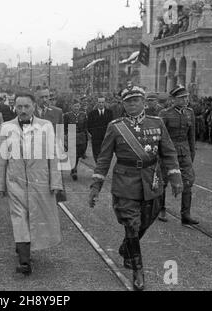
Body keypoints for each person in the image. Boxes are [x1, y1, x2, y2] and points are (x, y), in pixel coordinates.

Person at [88, 86, 182, 291]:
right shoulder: (115, 126)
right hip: (125, 182)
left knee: (148, 218)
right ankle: (137, 270)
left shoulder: (156, 123)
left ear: (143, 102)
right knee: (132, 223)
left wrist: (175, 178)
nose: (132, 104)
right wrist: (96, 185)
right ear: (123, 104)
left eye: (136, 100)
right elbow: (104, 158)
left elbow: (169, 152)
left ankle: (126, 247)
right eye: (128, 101)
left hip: (152, 180)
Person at [0, 92, 63, 276]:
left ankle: (23, 247)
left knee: (35, 216)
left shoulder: (46, 126)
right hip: (15, 181)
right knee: (19, 217)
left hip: (39, 181)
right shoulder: (6, 127)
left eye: (26, 106)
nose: (22, 110)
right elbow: (1, 158)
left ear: (34, 107)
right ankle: (24, 260)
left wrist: (55, 182)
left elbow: (53, 156)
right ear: (14, 108)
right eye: (19, 107)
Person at [157, 85, 198, 224]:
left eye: (186, 97)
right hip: (168, 154)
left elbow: (191, 136)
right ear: (173, 99)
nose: (185, 100)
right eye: (182, 98)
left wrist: (191, 154)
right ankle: (161, 209)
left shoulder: (189, 113)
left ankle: (186, 215)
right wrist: (160, 155)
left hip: (185, 153)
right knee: (163, 181)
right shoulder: (165, 114)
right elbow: (160, 137)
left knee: (188, 182)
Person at [63, 100, 88, 180]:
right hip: (71, 135)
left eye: (77, 106)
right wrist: (66, 135)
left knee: (78, 154)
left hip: (81, 137)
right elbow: (64, 126)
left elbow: (85, 127)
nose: (76, 108)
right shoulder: (67, 115)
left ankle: (74, 168)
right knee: (73, 154)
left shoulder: (83, 115)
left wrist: (86, 135)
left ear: (80, 106)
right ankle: (74, 170)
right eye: (75, 106)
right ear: (71, 107)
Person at [87, 97, 113, 163]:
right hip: (96, 137)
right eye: (99, 102)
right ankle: (97, 165)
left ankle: (103, 165)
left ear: (105, 103)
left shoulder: (109, 113)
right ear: (97, 103)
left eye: (102, 102)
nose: (101, 104)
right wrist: (93, 133)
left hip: (106, 137)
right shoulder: (92, 113)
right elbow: (89, 126)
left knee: (105, 152)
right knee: (96, 152)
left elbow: (111, 125)